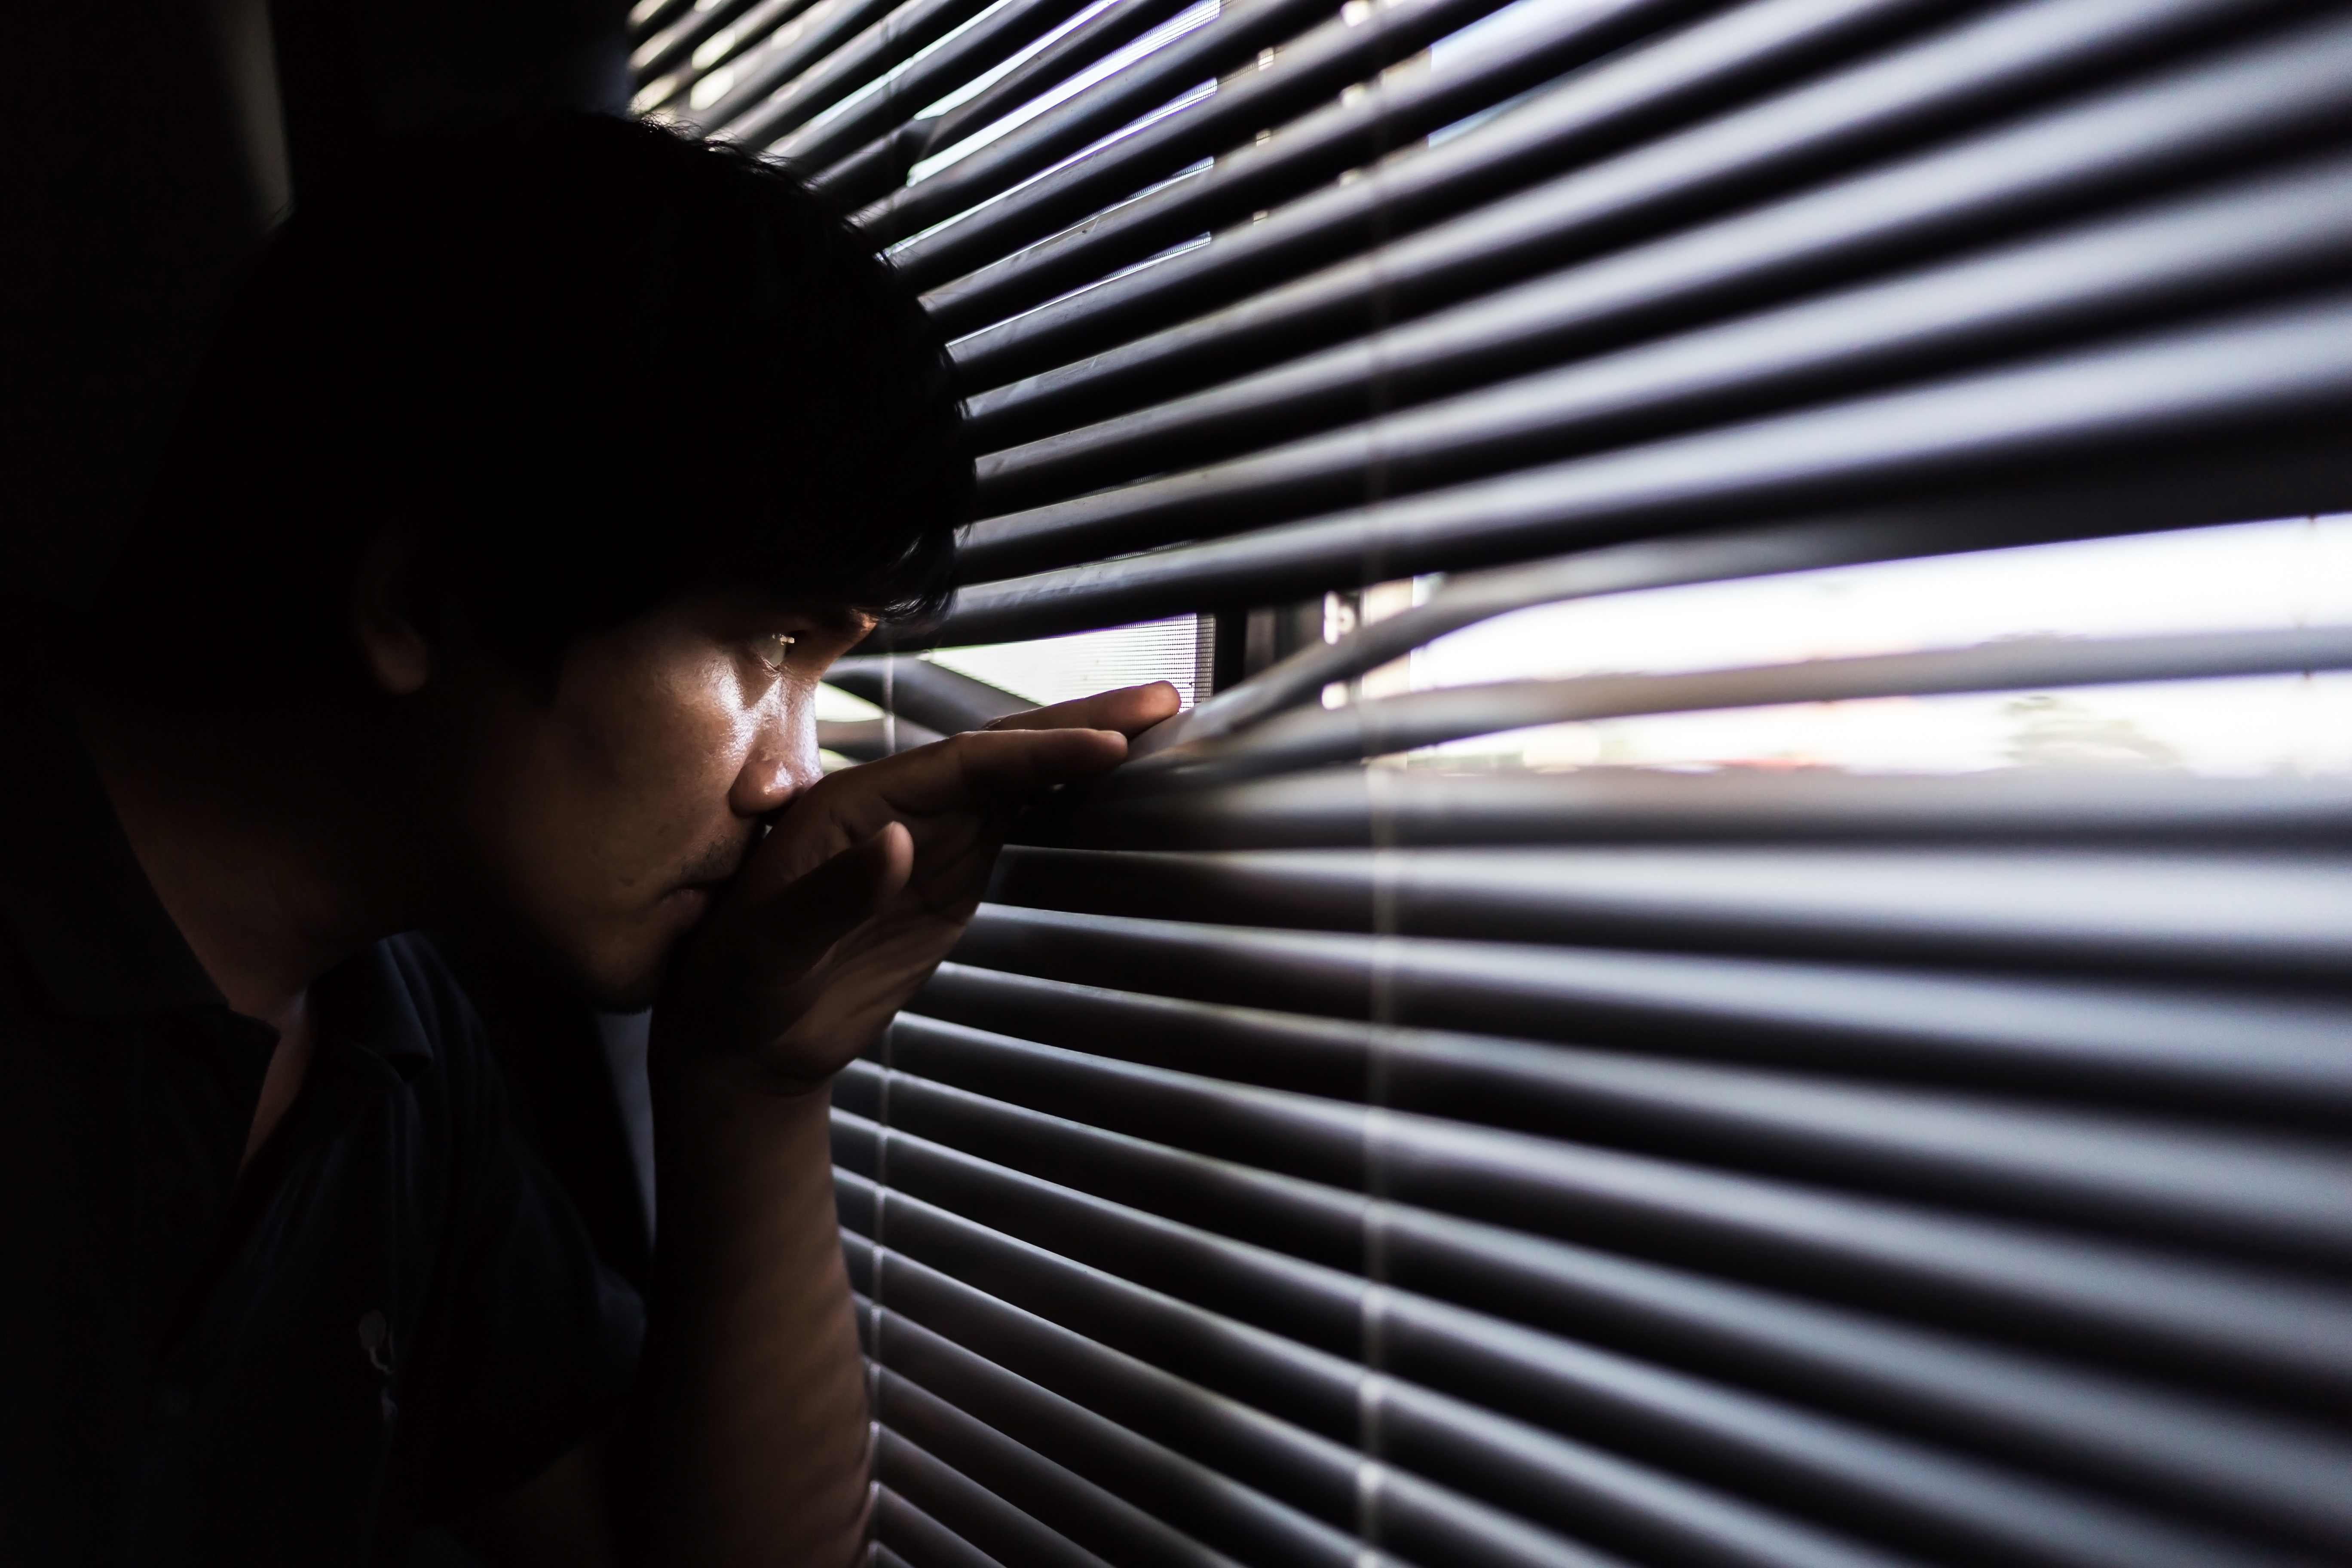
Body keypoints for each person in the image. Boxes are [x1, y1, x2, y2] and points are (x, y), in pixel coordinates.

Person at [0, 112, 1178, 1566]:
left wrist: (752, 1077)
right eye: (766, 645)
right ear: (427, 598)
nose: (791, 780)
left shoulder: (399, 1053)